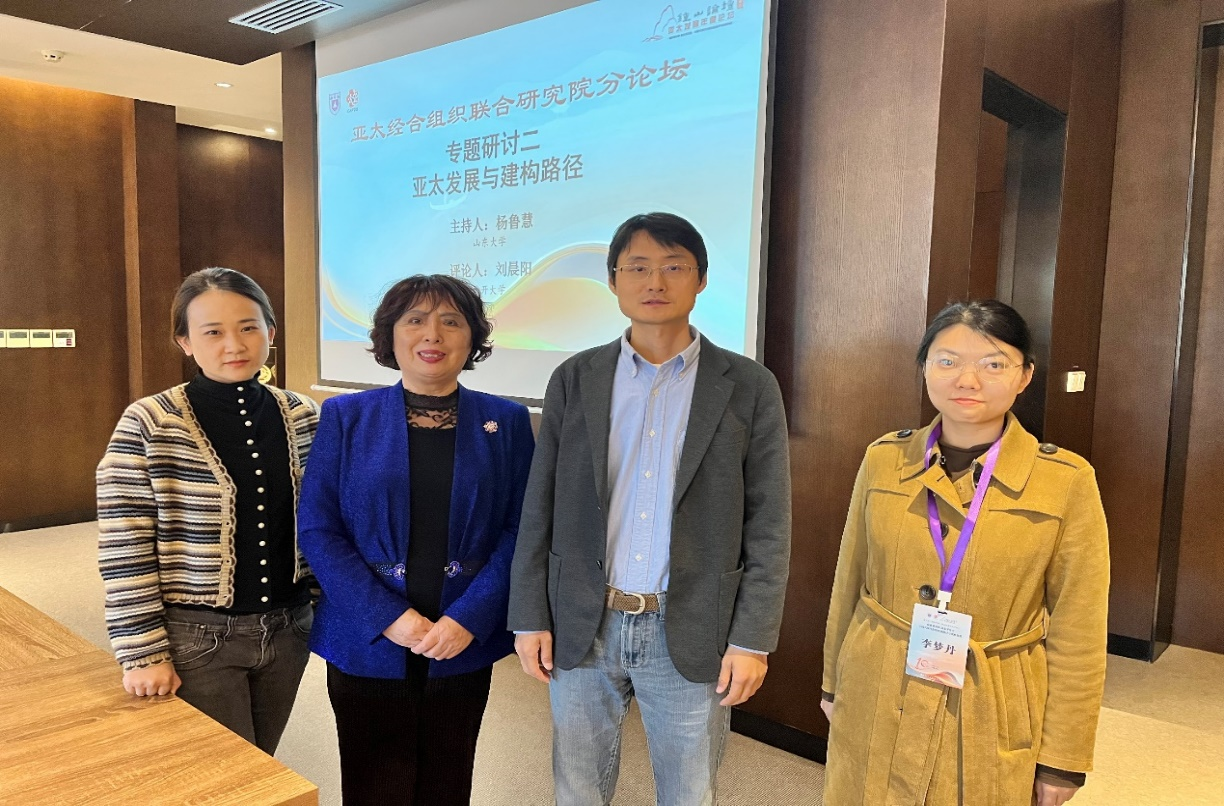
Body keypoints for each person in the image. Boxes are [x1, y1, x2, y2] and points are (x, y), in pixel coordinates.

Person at [508, 212, 792, 806]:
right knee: (577, 789)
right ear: (613, 281)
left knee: (689, 792)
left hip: (691, 623)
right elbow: (541, 502)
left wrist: (752, 640)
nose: (654, 281)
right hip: (583, 618)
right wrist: (530, 614)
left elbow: (769, 523)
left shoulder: (748, 385)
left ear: (701, 279)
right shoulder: (574, 377)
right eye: (637, 267)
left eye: (673, 266)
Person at [820, 300, 1110, 806]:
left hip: (992, 702)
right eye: (947, 361)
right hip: (878, 681)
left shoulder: (1065, 481)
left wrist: (1063, 756)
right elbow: (850, 578)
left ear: (1025, 375)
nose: (967, 380)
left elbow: (1079, 628)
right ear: (925, 367)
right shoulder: (884, 458)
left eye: (993, 363)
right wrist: (832, 683)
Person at [298, 274, 534, 805]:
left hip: (461, 636)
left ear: (472, 338)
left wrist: (468, 618)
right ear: (391, 335)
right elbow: (318, 527)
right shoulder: (346, 417)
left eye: (451, 321)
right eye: (415, 320)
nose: (433, 334)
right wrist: (388, 616)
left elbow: (521, 529)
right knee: (373, 782)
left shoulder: (507, 421)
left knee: (448, 780)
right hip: (367, 635)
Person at [97, 267, 320, 754]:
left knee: (261, 764)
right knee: (222, 774)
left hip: (289, 629)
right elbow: (124, 544)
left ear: (270, 332)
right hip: (197, 638)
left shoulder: (303, 414)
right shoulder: (150, 422)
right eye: (213, 332)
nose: (234, 345)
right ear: (185, 342)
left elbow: (324, 523)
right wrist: (142, 652)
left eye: (248, 327)